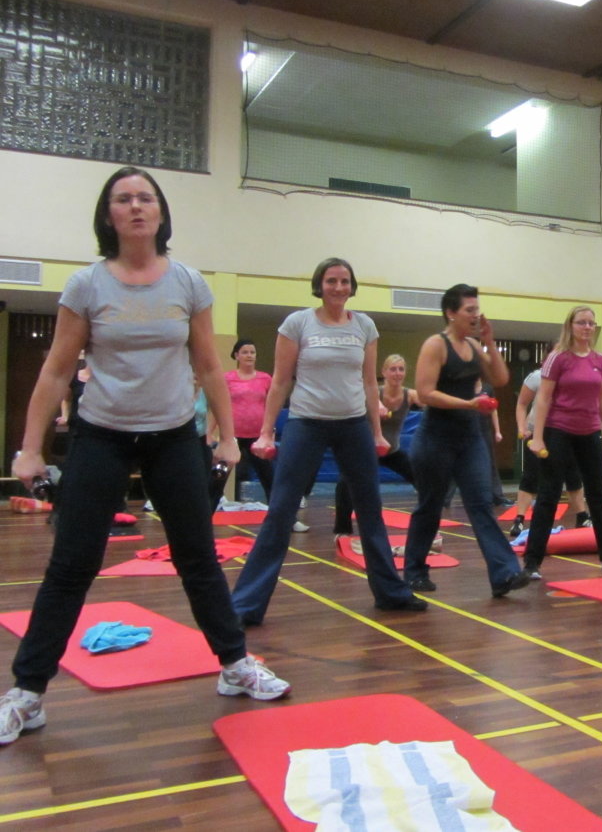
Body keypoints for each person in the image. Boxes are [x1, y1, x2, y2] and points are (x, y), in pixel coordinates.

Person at [2, 166, 289, 747]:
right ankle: (27, 694)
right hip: (101, 437)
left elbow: (209, 364)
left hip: (173, 437)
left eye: (145, 198)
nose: (135, 206)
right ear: (109, 216)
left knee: (198, 557)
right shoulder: (87, 285)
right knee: (72, 565)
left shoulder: (188, 283)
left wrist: (228, 436)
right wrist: (31, 449)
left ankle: (235, 666)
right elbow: (58, 368)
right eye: (123, 199)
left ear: (160, 213)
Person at [231, 258, 427, 624]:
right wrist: (267, 431)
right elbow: (280, 382)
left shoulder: (365, 326)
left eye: (344, 281)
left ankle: (391, 593)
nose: (338, 287)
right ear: (319, 285)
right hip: (307, 423)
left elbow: (370, 384)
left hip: (353, 424)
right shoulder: (297, 323)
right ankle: (245, 604)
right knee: (281, 510)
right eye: (331, 281)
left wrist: (376, 432)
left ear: (352, 287)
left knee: (369, 510)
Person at [402, 284, 529, 597]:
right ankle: (414, 571)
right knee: (430, 506)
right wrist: (469, 404)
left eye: (477, 309)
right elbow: (426, 392)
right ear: (450, 313)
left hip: (469, 438)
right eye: (469, 310)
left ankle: (504, 574)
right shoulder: (436, 344)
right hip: (435, 438)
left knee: (481, 504)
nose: (476, 315)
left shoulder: (474, 345)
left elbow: (499, 380)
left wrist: (489, 341)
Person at [524, 306, 602, 577]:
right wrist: (538, 437)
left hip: (589, 433)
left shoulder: (600, 360)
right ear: (571, 326)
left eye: (590, 323)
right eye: (581, 323)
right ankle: (532, 562)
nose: (587, 327)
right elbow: (543, 399)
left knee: (598, 496)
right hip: (558, 431)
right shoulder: (558, 358)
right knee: (549, 496)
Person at [332, 353, 420, 537]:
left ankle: (426, 524)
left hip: (391, 450)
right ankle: (342, 529)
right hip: (365, 450)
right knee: (345, 483)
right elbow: (359, 394)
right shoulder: (373, 393)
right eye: (393, 369)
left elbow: (431, 401)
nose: (397, 373)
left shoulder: (410, 395)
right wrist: (376, 405)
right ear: (384, 372)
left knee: (423, 478)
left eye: (401, 369)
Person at [510, 366, 589, 539]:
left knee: (573, 476)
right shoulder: (537, 377)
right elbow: (522, 404)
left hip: (565, 432)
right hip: (537, 433)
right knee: (531, 477)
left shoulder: (573, 378)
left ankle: (582, 517)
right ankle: (519, 518)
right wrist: (522, 427)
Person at [223, 338, 275, 504]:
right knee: (218, 477)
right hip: (233, 437)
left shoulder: (265, 378)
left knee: (269, 479)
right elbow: (219, 407)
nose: (249, 355)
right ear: (237, 355)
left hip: (257, 438)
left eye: (252, 352)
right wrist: (211, 433)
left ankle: (286, 520)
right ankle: (203, 520)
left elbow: (271, 406)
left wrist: (269, 433)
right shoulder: (227, 378)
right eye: (245, 352)